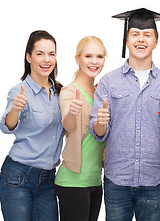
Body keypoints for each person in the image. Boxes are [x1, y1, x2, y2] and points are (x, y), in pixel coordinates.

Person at [89, 8, 160, 221]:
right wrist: (100, 123)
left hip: (152, 180)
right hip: (117, 180)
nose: (141, 39)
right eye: (135, 34)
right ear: (127, 39)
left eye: (147, 35)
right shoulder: (108, 82)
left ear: (156, 42)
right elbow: (98, 131)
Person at [0, 30, 64, 221]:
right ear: (28, 57)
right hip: (18, 177)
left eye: (51, 54)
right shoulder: (20, 91)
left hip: (47, 180)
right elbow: (7, 126)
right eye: (40, 53)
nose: (46, 60)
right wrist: (15, 110)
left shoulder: (60, 91)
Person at [54, 36, 107, 221]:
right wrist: (72, 113)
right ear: (77, 59)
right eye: (88, 56)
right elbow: (67, 124)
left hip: (95, 181)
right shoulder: (69, 92)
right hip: (72, 182)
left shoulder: (103, 92)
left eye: (99, 56)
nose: (94, 61)